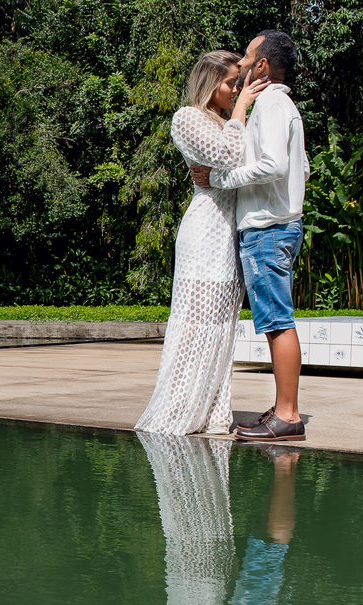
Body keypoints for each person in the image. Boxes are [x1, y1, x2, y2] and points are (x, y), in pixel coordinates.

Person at [136, 51, 269, 435]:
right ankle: (181, 407)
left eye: (237, 84)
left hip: (233, 234)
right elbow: (229, 154)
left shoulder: (229, 122)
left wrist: (238, 116)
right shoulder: (187, 118)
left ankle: (213, 409)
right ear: (210, 83)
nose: (236, 90)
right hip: (205, 233)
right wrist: (243, 108)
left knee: (222, 327)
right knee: (197, 324)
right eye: (230, 83)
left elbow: (253, 165)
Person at [191, 30, 310, 442]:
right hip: (278, 224)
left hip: (268, 229)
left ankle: (288, 416)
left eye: (246, 56)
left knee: (277, 321)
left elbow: (275, 165)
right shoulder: (279, 105)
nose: (241, 64)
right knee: (275, 319)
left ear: (261, 65)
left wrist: (222, 178)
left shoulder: (273, 103)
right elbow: (302, 168)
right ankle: (281, 409)